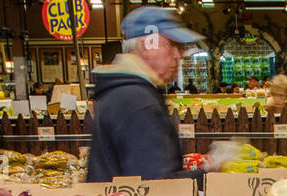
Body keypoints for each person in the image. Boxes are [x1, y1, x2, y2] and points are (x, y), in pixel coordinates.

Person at [87, 6, 205, 181]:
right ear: (147, 45)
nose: (179, 55)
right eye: (172, 45)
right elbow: (154, 187)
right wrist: (210, 175)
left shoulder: (130, 91)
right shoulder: (136, 101)